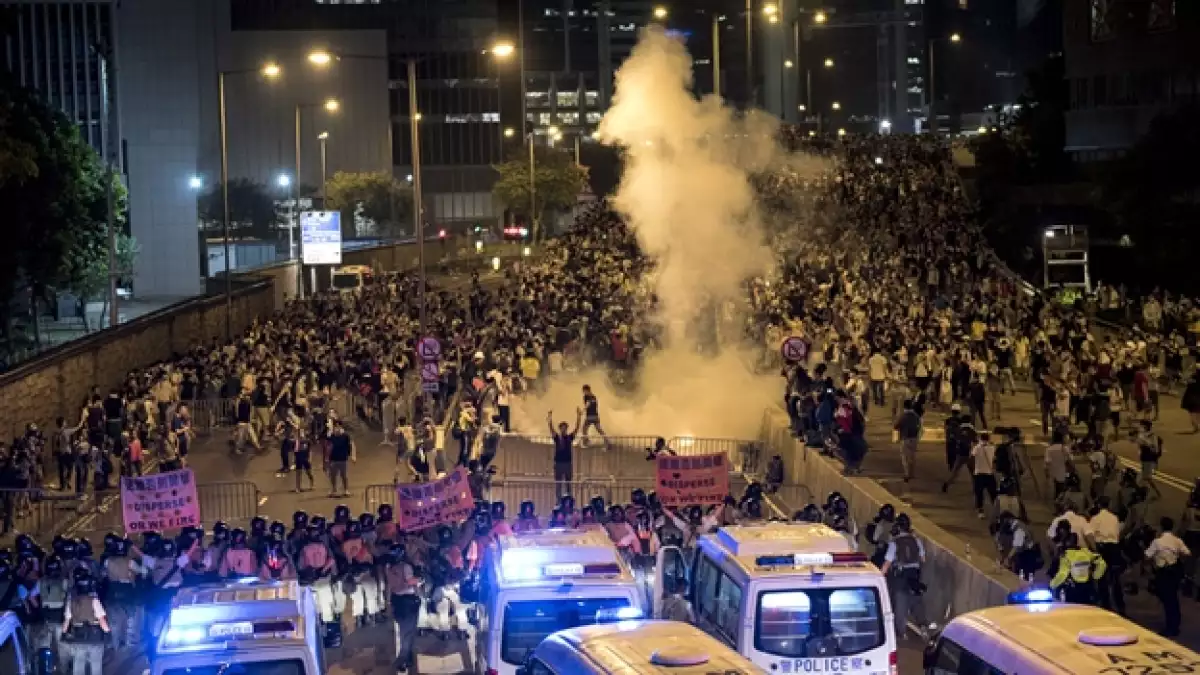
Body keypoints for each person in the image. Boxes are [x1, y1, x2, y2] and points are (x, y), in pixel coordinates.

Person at [880, 513, 926, 641]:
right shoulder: (916, 540)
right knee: (916, 600)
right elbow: (923, 558)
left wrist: (880, 575)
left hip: (900, 576)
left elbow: (887, 563)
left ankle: (901, 632)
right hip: (915, 574)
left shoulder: (894, 543)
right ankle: (923, 625)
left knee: (900, 603)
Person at [1145, 516, 1190, 637]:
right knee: (1173, 598)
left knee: (1166, 599)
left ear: (1161, 527)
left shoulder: (1157, 542)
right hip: (1174, 572)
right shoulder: (1177, 540)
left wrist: (1154, 563)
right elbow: (1187, 553)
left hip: (1163, 572)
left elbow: (1147, 555)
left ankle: (1170, 627)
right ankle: (1175, 624)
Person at [61, 568, 110, 675]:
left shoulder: (72, 602)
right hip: (94, 637)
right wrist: (107, 633)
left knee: (78, 664)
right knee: (96, 665)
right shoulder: (94, 601)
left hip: (78, 637)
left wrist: (63, 633)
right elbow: (102, 620)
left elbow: (67, 621)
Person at [386, 541, 421, 674]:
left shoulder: (389, 566)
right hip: (409, 601)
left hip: (397, 601)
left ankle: (408, 657)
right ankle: (402, 661)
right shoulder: (405, 566)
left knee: (406, 632)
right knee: (407, 633)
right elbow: (410, 580)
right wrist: (419, 578)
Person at [1090, 496, 1125, 616]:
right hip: (1115, 548)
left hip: (1103, 548)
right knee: (1115, 579)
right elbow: (1117, 534)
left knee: (1101, 577)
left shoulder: (1095, 518)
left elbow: (1091, 535)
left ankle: (1106, 605)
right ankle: (1120, 606)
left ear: (1098, 505)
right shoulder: (1114, 518)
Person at [1049, 533, 1106, 605]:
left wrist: (1051, 585)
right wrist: (1096, 576)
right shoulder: (1086, 552)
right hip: (1087, 588)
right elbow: (1102, 564)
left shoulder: (1066, 555)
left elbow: (1063, 574)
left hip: (1073, 590)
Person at [547, 409, 581, 497]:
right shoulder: (557, 438)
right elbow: (551, 428)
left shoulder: (569, 437)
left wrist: (579, 416)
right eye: (562, 428)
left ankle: (568, 500)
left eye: (565, 428)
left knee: (568, 483)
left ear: (566, 428)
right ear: (560, 428)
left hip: (567, 463)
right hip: (558, 463)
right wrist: (550, 418)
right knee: (558, 484)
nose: (563, 429)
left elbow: (577, 428)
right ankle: (558, 500)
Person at [325, 421, 356, 498]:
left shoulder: (345, 436)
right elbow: (328, 446)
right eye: (335, 427)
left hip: (343, 458)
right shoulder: (331, 436)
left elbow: (352, 445)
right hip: (333, 458)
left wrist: (353, 456)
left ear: (341, 427)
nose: (337, 428)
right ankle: (334, 490)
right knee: (332, 475)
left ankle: (346, 490)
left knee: (344, 475)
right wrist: (327, 457)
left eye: (338, 427)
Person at [893, 399, 921, 482]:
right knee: (912, 456)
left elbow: (896, 426)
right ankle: (912, 473)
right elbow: (919, 426)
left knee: (904, 457)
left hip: (905, 438)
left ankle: (907, 474)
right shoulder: (916, 416)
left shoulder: (903, 416)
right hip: (914, 438)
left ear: (904, 407)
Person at [579, 384, 609, 448]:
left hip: (590, 416)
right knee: (599, 429)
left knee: (584, 429)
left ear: (587, 390)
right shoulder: (593, 397)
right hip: (595, 416)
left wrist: (582, 411)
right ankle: (607, 441)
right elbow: (593, 405)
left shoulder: (588, 397)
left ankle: (585, 442)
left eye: (584, 391)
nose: (583, 392)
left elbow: (588, 404)